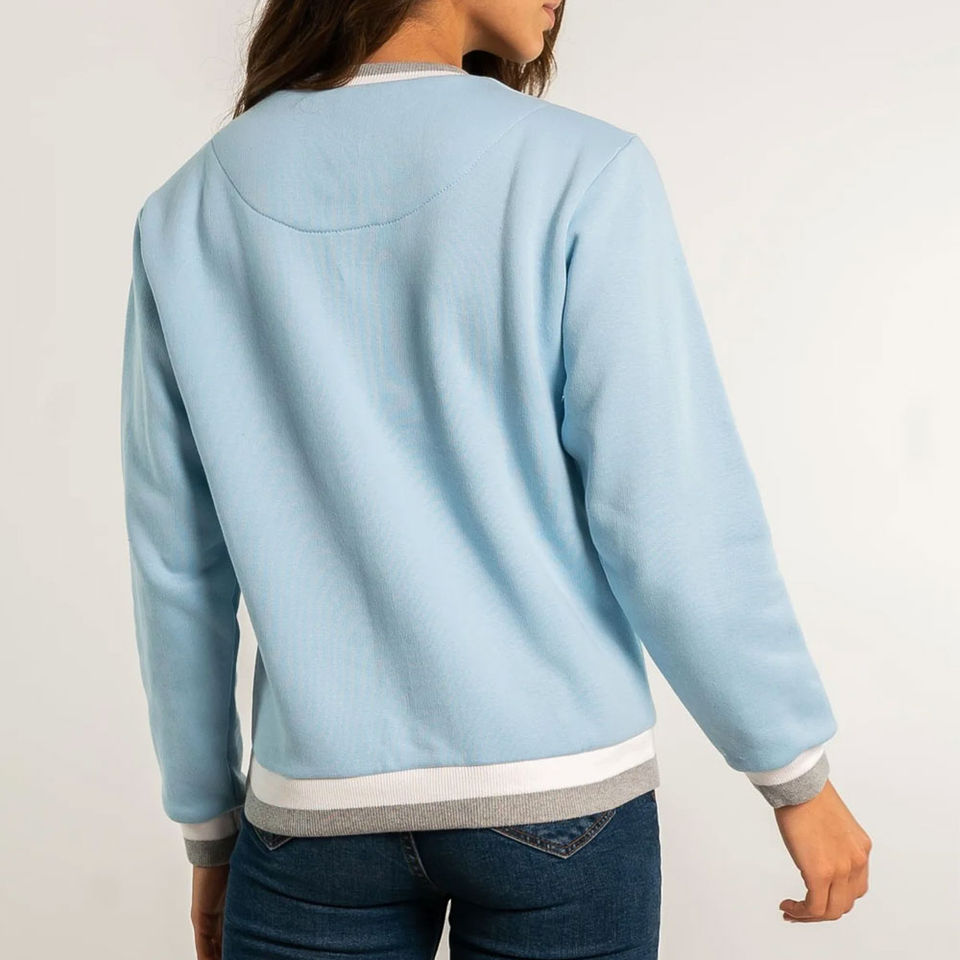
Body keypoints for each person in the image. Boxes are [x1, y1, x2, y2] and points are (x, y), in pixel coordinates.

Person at [119, 1, 872, 957]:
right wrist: (793, 771)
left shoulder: (185, 209)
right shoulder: (580, 170)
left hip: (310, 815)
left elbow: (177, 563)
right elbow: (667, 514)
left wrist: (208, 824)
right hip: (558, 798)